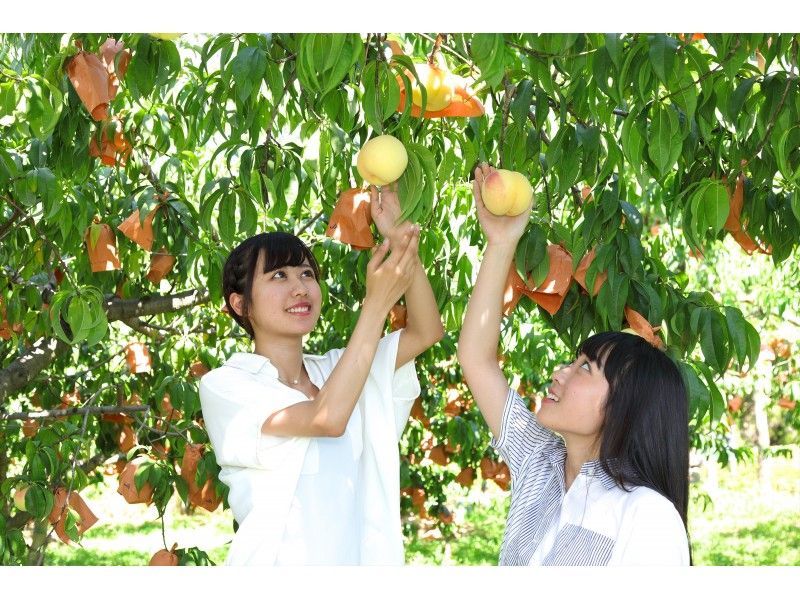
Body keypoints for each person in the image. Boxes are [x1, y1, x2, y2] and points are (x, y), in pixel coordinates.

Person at [457, 163, 691, 566]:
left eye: (585, 368)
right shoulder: (539, 463)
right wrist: (501, 243)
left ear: (627, 404)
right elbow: (477, 358)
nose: (559, 372)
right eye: (574, 361)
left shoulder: (646, 515)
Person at [199, 185, 444, 565]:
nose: (300, 287)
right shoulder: (227, 385)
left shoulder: (336, 368)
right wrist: (375, 305)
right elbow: (325, 418)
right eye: (278, 276)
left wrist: (400, 240)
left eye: (307, 274)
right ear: (240, 303)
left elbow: (425, 331)